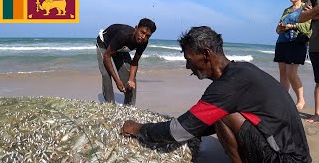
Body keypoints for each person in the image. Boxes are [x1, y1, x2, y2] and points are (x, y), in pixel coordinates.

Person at [121, 26, 312, 162]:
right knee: (216, 115)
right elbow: (197, 125)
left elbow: (179, 131)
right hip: (296, 155)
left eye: (189, 59)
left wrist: (137, 128)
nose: (188, 66)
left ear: (206, 54)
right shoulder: (242, 70)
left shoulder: (228, 85)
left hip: (286, 159)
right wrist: (193, 129)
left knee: (221, 115)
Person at [96, 18, 156, 105]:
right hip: (104, 43)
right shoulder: (123, 35)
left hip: (120, 48)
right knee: (106, 75)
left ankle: (129, 106)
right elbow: (107, 56)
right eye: (142, 32)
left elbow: (135, 62)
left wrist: (131, 80)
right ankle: (109, 105)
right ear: (136, 28)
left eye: (148, 36)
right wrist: (117, 81)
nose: (143, 37)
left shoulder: (144, 43)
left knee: (129, 76)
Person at [273, 0, 311, 110]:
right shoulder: (287, 10)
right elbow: (278, 29)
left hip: (297, 42)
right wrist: (280, 27)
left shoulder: (306, 8)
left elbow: (307, 27)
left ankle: (301, 99)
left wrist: (292, 26)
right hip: (282, 42)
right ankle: (285, 100)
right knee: (283, 73)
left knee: (291, 73)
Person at [298, 0, 319, 122]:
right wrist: (317, 9)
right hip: (316, 45)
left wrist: (313, 14)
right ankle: (317, 114)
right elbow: (301, 18)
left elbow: (308, 15)